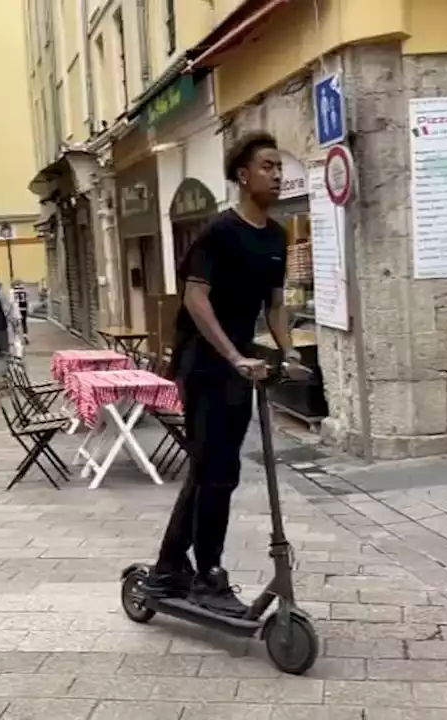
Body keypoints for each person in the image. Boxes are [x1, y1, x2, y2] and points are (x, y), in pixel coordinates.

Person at [143, 131, 301, 617]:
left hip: (240, 364)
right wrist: (234, 356)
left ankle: (171, 566)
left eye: (279, 167)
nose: (277, 174)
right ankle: (206, 574)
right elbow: (195, 298)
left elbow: (274, 306)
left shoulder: (276, 236)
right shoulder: (218, 232)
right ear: (243, 175)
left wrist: (289, 353)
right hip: (205, 362)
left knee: (216, 472)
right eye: (268, 166)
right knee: (216, 471)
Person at [13, 279, 30, 345]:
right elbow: (27, 300)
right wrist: (27, 309)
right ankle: (25, 336)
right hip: (24, 309)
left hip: (17, 309)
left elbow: (12, 301)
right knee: (24, 323)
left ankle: (17, 339)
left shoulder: (14, 291)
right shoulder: (25, 291)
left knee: (16, 324)